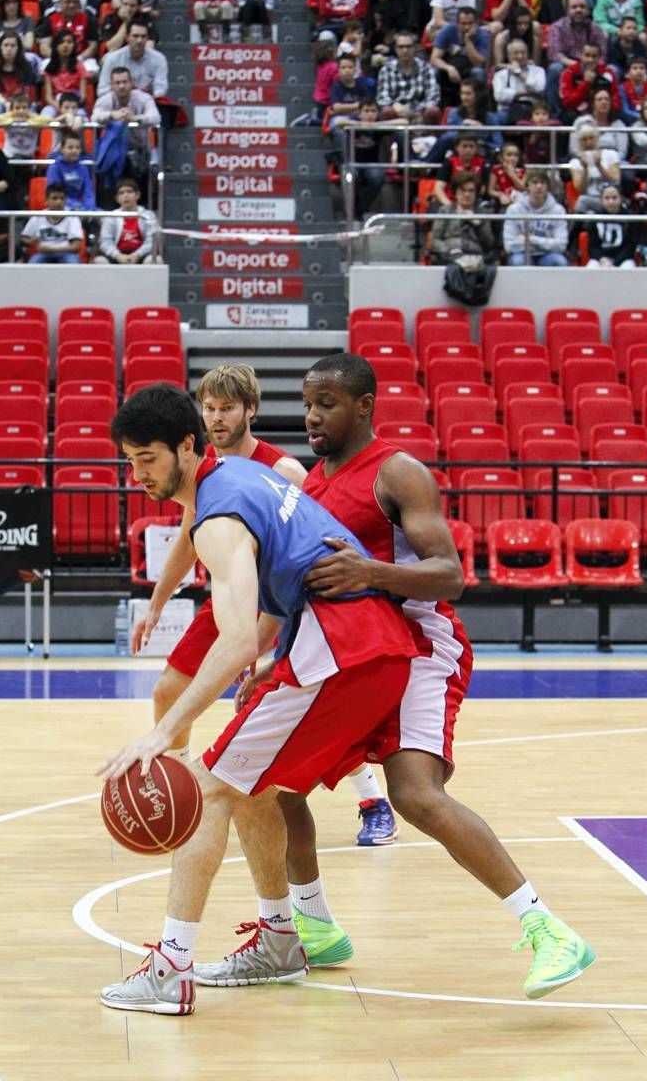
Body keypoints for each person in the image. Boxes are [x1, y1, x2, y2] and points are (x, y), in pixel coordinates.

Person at [192, 353, 596, 1001]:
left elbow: (451, 576)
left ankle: (548, 928)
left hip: (419, 645)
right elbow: (309, 592)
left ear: (364, 406)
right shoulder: (315, 487)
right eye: (308, 401)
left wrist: (372, 573)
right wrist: (272, 658)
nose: (314, 415)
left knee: (414, 794)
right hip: (353, 651)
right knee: (274, 783)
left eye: (328, 402)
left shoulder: (397, 471)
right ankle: (314, 925)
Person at [97, 382, 418, 1015]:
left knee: (211, 783)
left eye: (148, 460)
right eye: (130, 461)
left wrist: (166, 731)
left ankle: (171, 968)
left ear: (186, 448)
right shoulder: (241, 476)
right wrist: (275, 655)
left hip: (344, 648)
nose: (138, 475)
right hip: (359, 645)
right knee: (252, 786)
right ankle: (279, 938)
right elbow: (285, 578)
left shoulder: (217, 516)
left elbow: (237, 634)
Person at [126, 364, 399, 845]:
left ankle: (370, 797)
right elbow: (189, 542)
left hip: (285, 597)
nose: (217, 417)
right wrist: (156, 604)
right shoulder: (203, 468)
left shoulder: (281, 468)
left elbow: (308, 545)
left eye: (227, 408)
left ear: (250, 409)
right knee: (168, 689)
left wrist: (269, 648)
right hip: (233, 590)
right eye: (209, 408)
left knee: (299, 704)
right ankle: (177, 793)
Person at [546, 0, 607, 113]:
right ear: (567, 10)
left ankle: (603, 113)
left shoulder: (596, 29)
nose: (578, 10)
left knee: (612, 71)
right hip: (567, 67)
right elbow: (555, 54)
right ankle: (555, 113)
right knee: (554, 69)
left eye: (582, 7)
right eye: (574, 7)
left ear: (588, 10)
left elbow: (602, 55)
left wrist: (589, 66)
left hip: (592, 65)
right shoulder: (557, 27)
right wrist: (578, 67)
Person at [503, 168, 568, 265]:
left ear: (547, 186)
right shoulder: (514, 210)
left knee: (559, 261)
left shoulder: (558, 210)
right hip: (522, 253)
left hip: (548, 255)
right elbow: (509, 245)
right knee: (518, 262)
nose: (539, 186)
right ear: (527, 185)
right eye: (534, 182)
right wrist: (546, 243)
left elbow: (561, 245)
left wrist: (530, 239)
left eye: (543, 182)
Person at [376, 31, 441, 123]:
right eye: (401, 47)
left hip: (421, 113)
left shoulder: (426, 68)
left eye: (408, 46)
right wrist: (394, 105)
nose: (405, 50)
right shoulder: (386, 69)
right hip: (396, 114)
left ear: (415, 48)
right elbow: (382, 97)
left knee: (433, 111)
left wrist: (417, 112)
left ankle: (430, 136)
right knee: (387, 111)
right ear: (395, 49)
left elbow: (433, 96)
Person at [430, 5, 489, 106]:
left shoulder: (482, 35)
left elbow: (479, 63)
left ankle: (479, 107)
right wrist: (449, 68)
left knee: (479, 72)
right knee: (434, 71)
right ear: (457, 23)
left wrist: (468, 41)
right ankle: (435, 106)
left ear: (476, 23)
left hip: (469, 69)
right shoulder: (448, 30)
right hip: (450, 68)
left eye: (470, 23)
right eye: (463, 24)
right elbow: (434, 58)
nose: (467, 27)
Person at [92, 176, 159, 264]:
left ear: (137, 195)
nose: (125, 195)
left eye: (129, 192)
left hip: (141, 255)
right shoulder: (111, 216)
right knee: (99, 261)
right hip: (117, 255)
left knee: (155, 260)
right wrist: (117, 255)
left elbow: (152, 241)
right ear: (117, 199)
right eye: (121, 193)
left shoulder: (148, 215)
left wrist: (137, 255)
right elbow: (105, 241)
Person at [99, 20, 169, 100]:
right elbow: (102, 90)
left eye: (143, 37)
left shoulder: (159, 59)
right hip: (118, 104)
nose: (139, 40)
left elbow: (161, 90)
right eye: (135, 36)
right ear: (127, 38)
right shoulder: (112, 59)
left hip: (149, 103)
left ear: (147, 38)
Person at [568, 115, 621, 210]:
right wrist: (585, 169)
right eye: (584, 139)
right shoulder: (575, 162)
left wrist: (599, 166)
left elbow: (615, 181)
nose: (588, 142)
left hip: (610, 198)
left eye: (591, 138)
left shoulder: (611, 154)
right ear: (579, 141)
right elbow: (581, 190)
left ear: (597, 138)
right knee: (583, 200)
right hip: (590, 198)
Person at [21, 183, 82, 264]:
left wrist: (49, 249)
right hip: (43, 254)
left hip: (66, 253)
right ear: (46, 201)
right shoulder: (38, 216)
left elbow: (76, 247)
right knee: (32, 267)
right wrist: (30, 242)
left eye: (62, 198)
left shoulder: (72, 217)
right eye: (54, 198)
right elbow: (23, 238)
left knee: (74, 264)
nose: (59, 202)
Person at [491, 37, 547, 122]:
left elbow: (539, 88)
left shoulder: (538, 70)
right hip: (508, 109)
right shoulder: (500, 74)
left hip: (533, 109)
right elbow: (499, 96)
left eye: (523, 53)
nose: (520, 56)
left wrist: (518, 73)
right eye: (516, 53)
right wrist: (527, 92)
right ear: (509, 55)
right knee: (496, 118)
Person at [583, 184, 637, 267]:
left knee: (628, 268)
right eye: (607, 198)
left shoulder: (630, 218)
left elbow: (630, 247)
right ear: (601, 200)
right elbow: (593, 246)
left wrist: (615, 262)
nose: (611, 201)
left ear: (621, 198)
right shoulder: (595, 218)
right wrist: (602, 259)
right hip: (601, 259)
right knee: (591, 267)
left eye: (614, 198)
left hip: (623, 259)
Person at [41, 29, 87, 118]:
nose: (65, 45)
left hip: (75, 103)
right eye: (61, 42)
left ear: (74, 46)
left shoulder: (80, 66)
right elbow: (48, 97)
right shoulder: (49, 68)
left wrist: (71, 107)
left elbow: (83, 96)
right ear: (56, 46)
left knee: (82, 117)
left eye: (69, 42)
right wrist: (62, 108)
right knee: (45, 115)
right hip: (56, 104)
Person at [46, 128, 95, 211]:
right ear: (62, 149)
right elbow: (56, 194)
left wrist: (90, 209)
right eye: (70, 147)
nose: (74, 151)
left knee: (103, 218)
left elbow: (88, 193)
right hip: (61, 206)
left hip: (82, 207)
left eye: (77, 148)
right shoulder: (54, 168)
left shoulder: (83, 168)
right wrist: (76, 207)